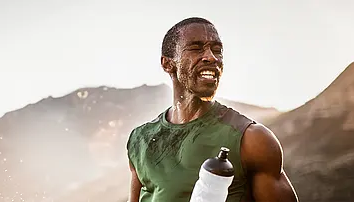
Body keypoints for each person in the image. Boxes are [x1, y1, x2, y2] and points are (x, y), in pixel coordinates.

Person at [126, 17, 299, 202]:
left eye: (217, 50)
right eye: (196, 48)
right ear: (168, 64)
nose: (211, 57)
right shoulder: (141, 139)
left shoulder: (253, 140)